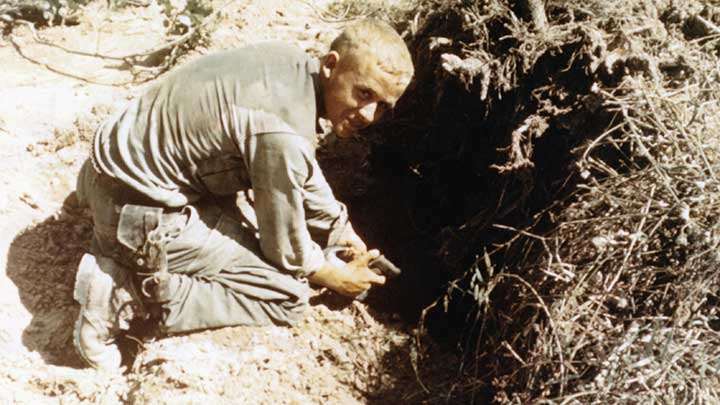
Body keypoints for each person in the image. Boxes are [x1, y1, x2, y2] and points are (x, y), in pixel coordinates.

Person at [72, 18, 414, 371]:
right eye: (365, 93)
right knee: (287, 295)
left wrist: (340, 230)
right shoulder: (282, 134)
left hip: (108, 167)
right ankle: (125, 295)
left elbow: (300, 168)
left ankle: (126, 257)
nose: (370, 115)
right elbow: (285, 247)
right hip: (133, 210)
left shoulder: (289, 64)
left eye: (384, 105)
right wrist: (330, 274)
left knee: (245, 210)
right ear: (331, 65)